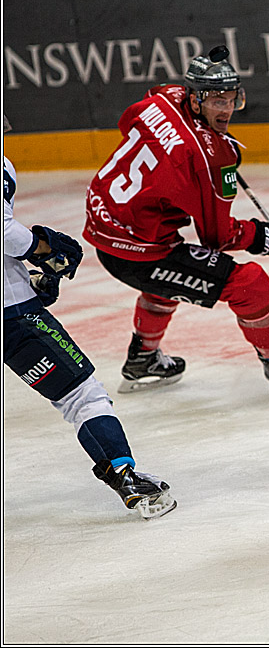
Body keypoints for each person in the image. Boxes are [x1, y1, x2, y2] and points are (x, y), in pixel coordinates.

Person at [82, 46, 269, 393]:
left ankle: (143, 357)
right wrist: (264, 236)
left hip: (103, 223)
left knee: (173, 265)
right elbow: (217, 238)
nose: (227, 109)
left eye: (231, 99)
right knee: (250, 283)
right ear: (196, 100)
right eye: (217, 101)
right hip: (136, 252)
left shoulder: (166, 96)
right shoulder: (210, 158)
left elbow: (128, 121)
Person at [4, 116, 176, 518]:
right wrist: (42, 251)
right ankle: (124, 475)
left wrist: (26, 278)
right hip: (10, 314)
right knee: (82, 395)